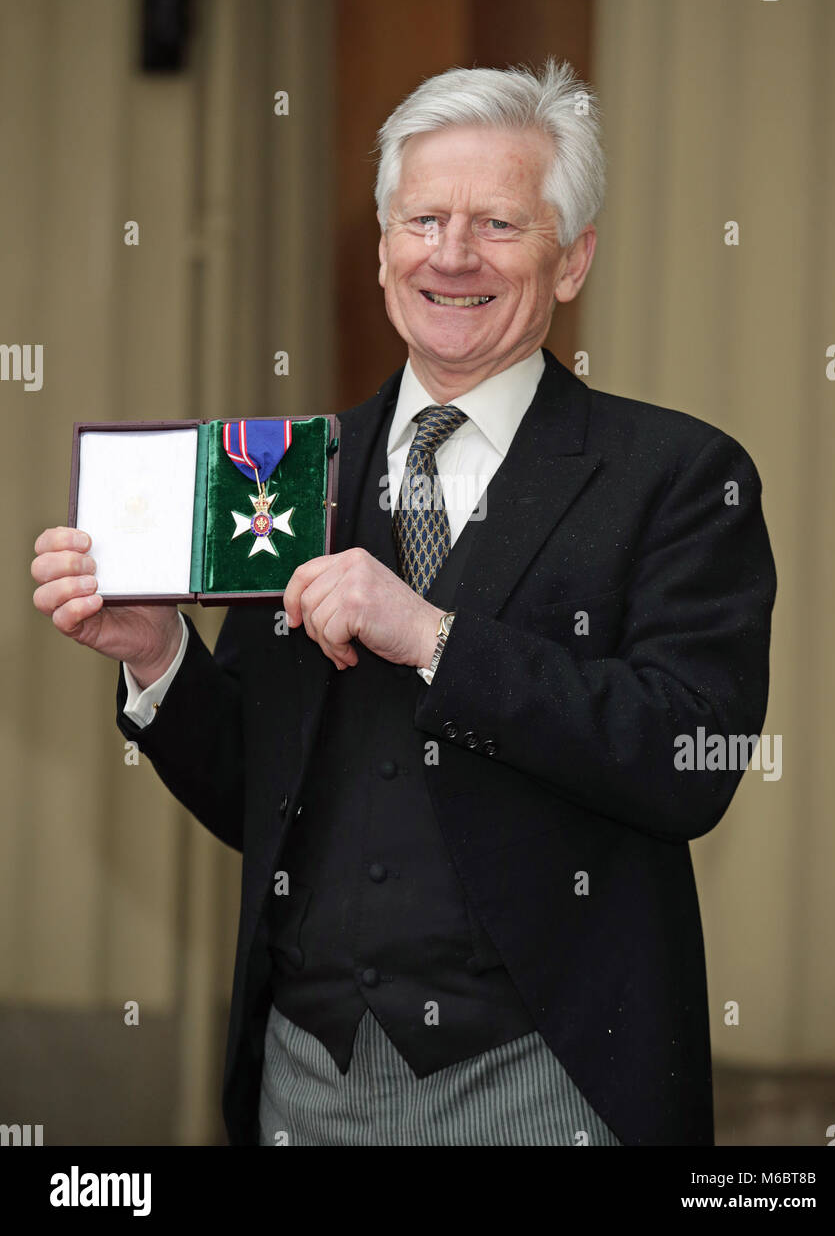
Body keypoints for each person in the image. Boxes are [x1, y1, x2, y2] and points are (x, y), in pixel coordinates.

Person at [32, 59, 776, 1146]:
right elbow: (258, 788)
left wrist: (431, 636)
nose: (452, 253)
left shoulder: (674, 474)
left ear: (572, 260)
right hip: (304, 1072)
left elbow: (688, 756)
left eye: (497, 224)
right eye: (421, 218)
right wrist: (157, 659)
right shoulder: (287, 476)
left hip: (548, 1079)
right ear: (382, 248)